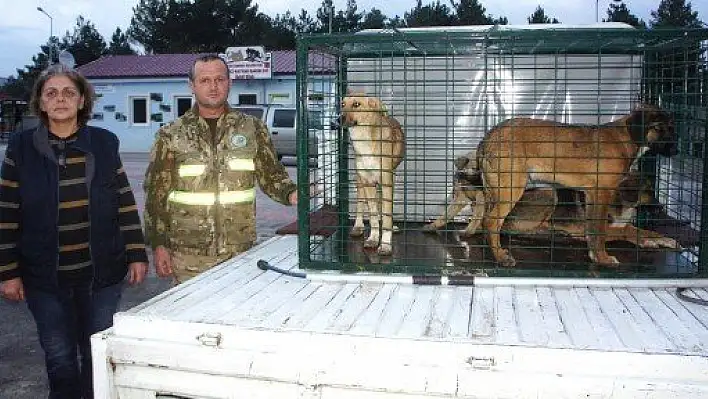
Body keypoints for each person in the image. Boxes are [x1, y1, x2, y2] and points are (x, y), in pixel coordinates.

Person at [0, 64, 149, 399]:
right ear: (40, 102)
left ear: (82, 100)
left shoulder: (105, 143)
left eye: (69, 92)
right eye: (51, 93)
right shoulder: (21, 149)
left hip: (101, 277)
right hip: (44, 280)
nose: (60, 99)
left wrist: (137, 252)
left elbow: (124, 201)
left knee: (97, 355)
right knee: (60, 358)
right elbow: (7, 214)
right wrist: (8, 272)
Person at [144, 54, 298, 284]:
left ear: (229, 82)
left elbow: (272, 175)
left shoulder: (252, 128)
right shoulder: (171, 135)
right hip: (187, 255)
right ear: (192, 86)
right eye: (205, 80)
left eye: (220, 79)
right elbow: (156, 195)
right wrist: (159, 245)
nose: (213, 87)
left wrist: (292, 193)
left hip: (240, 251)